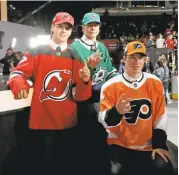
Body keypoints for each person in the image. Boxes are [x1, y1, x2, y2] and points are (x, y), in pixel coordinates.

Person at [7, 12, 91, 175]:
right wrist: (19, 84)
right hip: (40, 124)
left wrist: (85, 81)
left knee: (63, 167)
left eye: (67, 28)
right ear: (52, 27)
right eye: (60, 26)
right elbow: (17, 74)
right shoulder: (36, 51)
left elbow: (81, 96)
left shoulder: (76, 57)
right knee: (39, 167)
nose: (63, 31)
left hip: (67, 125)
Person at [98, 41, 173, 175]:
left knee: (164, 167)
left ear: (145, 60)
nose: (136, 61)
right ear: (124, 59)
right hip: (120, 145)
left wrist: (159, 144)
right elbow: (103, 120)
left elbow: (160, 116)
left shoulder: (155, 83)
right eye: (132, 57)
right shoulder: (110, 86)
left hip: (148, 145)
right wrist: (116, 111)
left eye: (140, 57)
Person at [70, 12, 118, 175]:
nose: (92, 28)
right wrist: (88, 66)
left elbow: (110, 70)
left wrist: (120, 81)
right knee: (90, 137)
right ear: (83, 27)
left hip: (102, 95)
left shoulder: (102, 47)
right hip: (85, 99)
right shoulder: (74, 48)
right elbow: (73, 77)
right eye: (89, 25)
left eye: (95, 25)